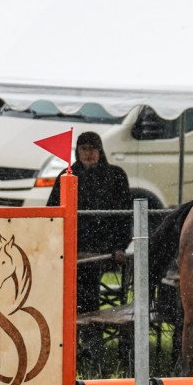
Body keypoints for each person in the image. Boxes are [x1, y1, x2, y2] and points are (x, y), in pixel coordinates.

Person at [47, 131, 132, 371]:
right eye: (83, 148)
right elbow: (53, 214)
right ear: (77, 150)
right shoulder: (66, 176)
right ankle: (72, 340)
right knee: (70, 287)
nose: (88, 153)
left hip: (104, 251)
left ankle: (91, 341)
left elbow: (124, 215)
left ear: (100, 150)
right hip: (72, 249)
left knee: (88, 285)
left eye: (92, 148)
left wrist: (118, 246)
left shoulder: (115, 176)